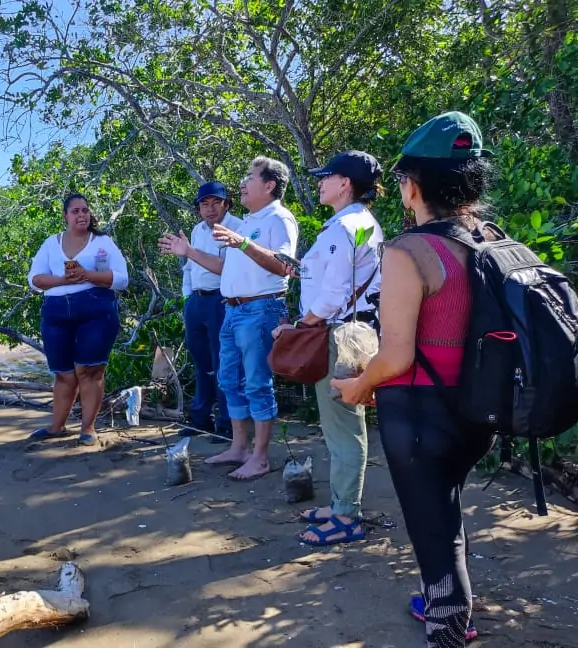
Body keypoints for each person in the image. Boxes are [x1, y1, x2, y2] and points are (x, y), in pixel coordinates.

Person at [333, 111, 496, 646]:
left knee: (434, 530)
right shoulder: (489, 239)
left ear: (411, 185)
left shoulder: (408, 251)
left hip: (424, 415)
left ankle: (450, 623)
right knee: (444, 510)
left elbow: (397, 355)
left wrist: (359, 386)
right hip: (477, 407)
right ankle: (444, 599)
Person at [271, 151, 385, 546]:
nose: (321, 182)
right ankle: (341, 505)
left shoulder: (345, 228)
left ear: (346, 184)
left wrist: (300, 327)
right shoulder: (359, 224)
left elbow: (333, 293)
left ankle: (347, 516)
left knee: (343, 428)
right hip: (352, 333)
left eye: (327, 177)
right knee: (342, 426)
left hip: (338, 335)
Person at [205, 156, 298, 481]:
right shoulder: (245, 223)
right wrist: (188, 251)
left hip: (260, 310)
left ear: (269, 185)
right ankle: (239, 448)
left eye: (250, 177)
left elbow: (286, 265)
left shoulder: (279, 218)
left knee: (257, 383)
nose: (242, 183)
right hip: (232, 310)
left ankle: (260, 458)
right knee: (229, 379)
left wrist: (243, 242)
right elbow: (227, 268)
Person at [27, 193, 130, 446]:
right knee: (63, 373)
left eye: (85, 210)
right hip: (56, 313)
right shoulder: (51, 243)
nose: (82, 215)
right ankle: (57, 426)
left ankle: (88, 428)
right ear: (65, 216)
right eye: (75, 211)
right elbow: (35, 280)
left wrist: (87, 275)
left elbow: (122, 279)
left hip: (96, 312)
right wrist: (64, 279)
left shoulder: (102, 241)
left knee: (89, 370)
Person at [158, 181, 244, 444]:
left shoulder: (238, 228)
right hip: (197, 300)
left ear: (226, 204)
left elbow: (228, 269)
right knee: (201, 362)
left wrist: (190, 252)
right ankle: (200, 418)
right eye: (204, 204)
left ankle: (227, 422)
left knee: (224, 363)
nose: (210, 209)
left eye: (215, 203)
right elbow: (188, 267)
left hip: (223, 299)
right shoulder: (197, 230)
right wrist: (187, 297)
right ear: (198, 209)